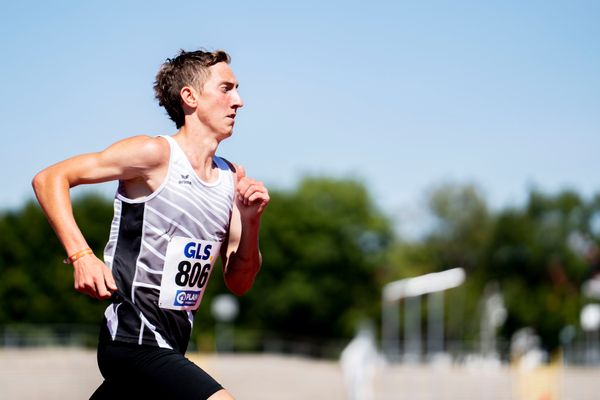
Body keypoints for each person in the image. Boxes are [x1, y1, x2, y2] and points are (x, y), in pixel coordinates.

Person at [32, 49, 269, 400]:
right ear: (190, 97)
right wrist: (81, 255)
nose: (239, 101)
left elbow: (239, 281)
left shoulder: (231, 179)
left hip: (172, 345)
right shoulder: (154, 155)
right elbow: (50, 178)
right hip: (131, 338)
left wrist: (251, 221)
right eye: (226, 89)